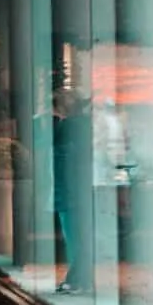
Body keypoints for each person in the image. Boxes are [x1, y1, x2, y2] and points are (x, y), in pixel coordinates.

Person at [52, 89, 93, 294]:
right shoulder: (83, 125)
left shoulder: (67, 127)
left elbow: (60, 161)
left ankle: (77, 279)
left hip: (69, 192)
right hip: (78, 190)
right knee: (80, 237)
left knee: (75, 239)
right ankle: (79, 279)